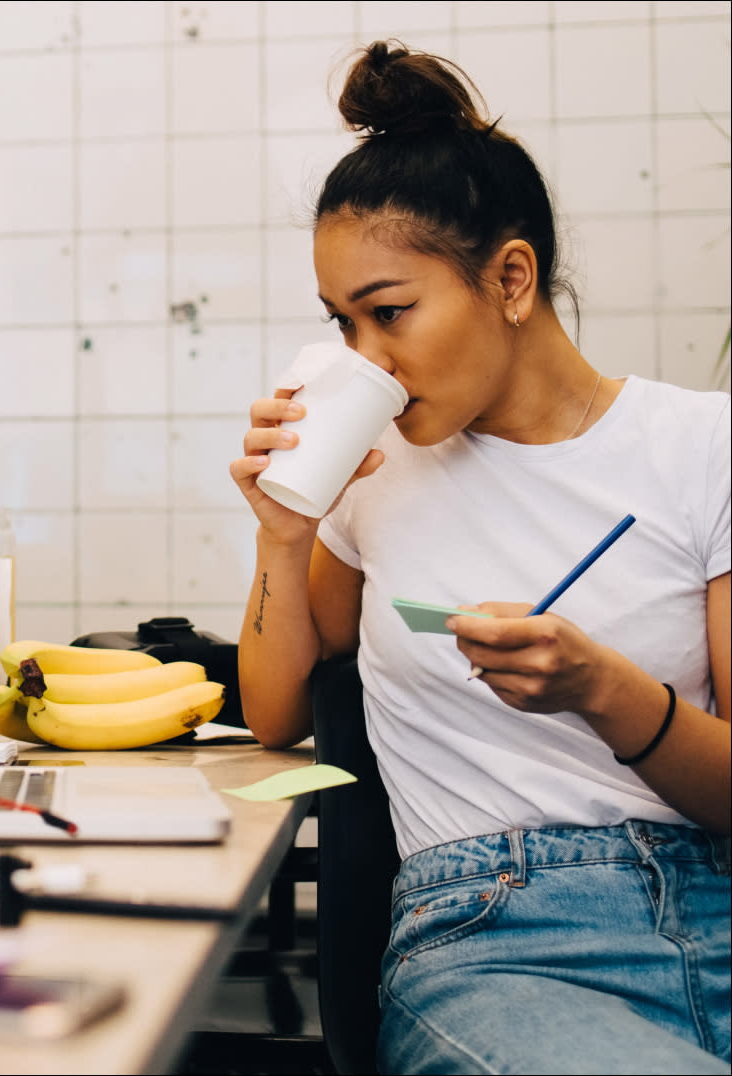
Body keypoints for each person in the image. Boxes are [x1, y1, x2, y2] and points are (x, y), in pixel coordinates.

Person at [230, 40, 730, 1076]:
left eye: (389, 312)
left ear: (510, 278)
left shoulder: (702, 447)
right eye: (342, 324)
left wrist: (605, 689)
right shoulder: (373, 478)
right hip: (497, 941)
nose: (366, 359)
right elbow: (274, 711)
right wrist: (285, 526)